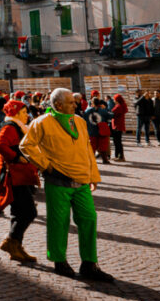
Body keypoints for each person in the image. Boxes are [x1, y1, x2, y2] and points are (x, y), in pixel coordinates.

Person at [20, 88, 113, 282]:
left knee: (89, 218)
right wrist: (46, 166)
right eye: (71, 102)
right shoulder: (41, 122)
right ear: (58, 105)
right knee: (59, 222)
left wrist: (93, 175)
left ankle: (89, 263)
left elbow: (87, 149)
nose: (75, 104)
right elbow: (26, 145)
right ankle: (59, 259)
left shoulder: (79, 121)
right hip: (58, 182)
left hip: (82, 181)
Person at [0, 99, 39, 263]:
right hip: (14, 175)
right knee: (29, 211)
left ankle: (16, 246)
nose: (27, 115)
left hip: (19, 175)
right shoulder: (10, 127)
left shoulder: (17, 126)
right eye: (24, 112)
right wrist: (16, 157)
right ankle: (11, 241)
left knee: (19, 212)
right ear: (16, 113)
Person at [83, 98, 112, 164]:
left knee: (92, 146)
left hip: (91, 131)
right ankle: (105, 160)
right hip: (101, 131)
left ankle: (90, 160)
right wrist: (106, 109)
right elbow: (110, 116)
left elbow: (84, 119)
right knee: (103, 146)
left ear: (92, 103)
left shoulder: (87, 111)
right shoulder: (103, 111)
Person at [108, 94, 128, 162]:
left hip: (117, 126)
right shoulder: (121, 106)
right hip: (118, 125)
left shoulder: (118, 107)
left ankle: (120, 156)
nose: (113, 100)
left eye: (114, 99)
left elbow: (112, 114)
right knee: (116, 141)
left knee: (117, 142)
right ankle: (117, 156)